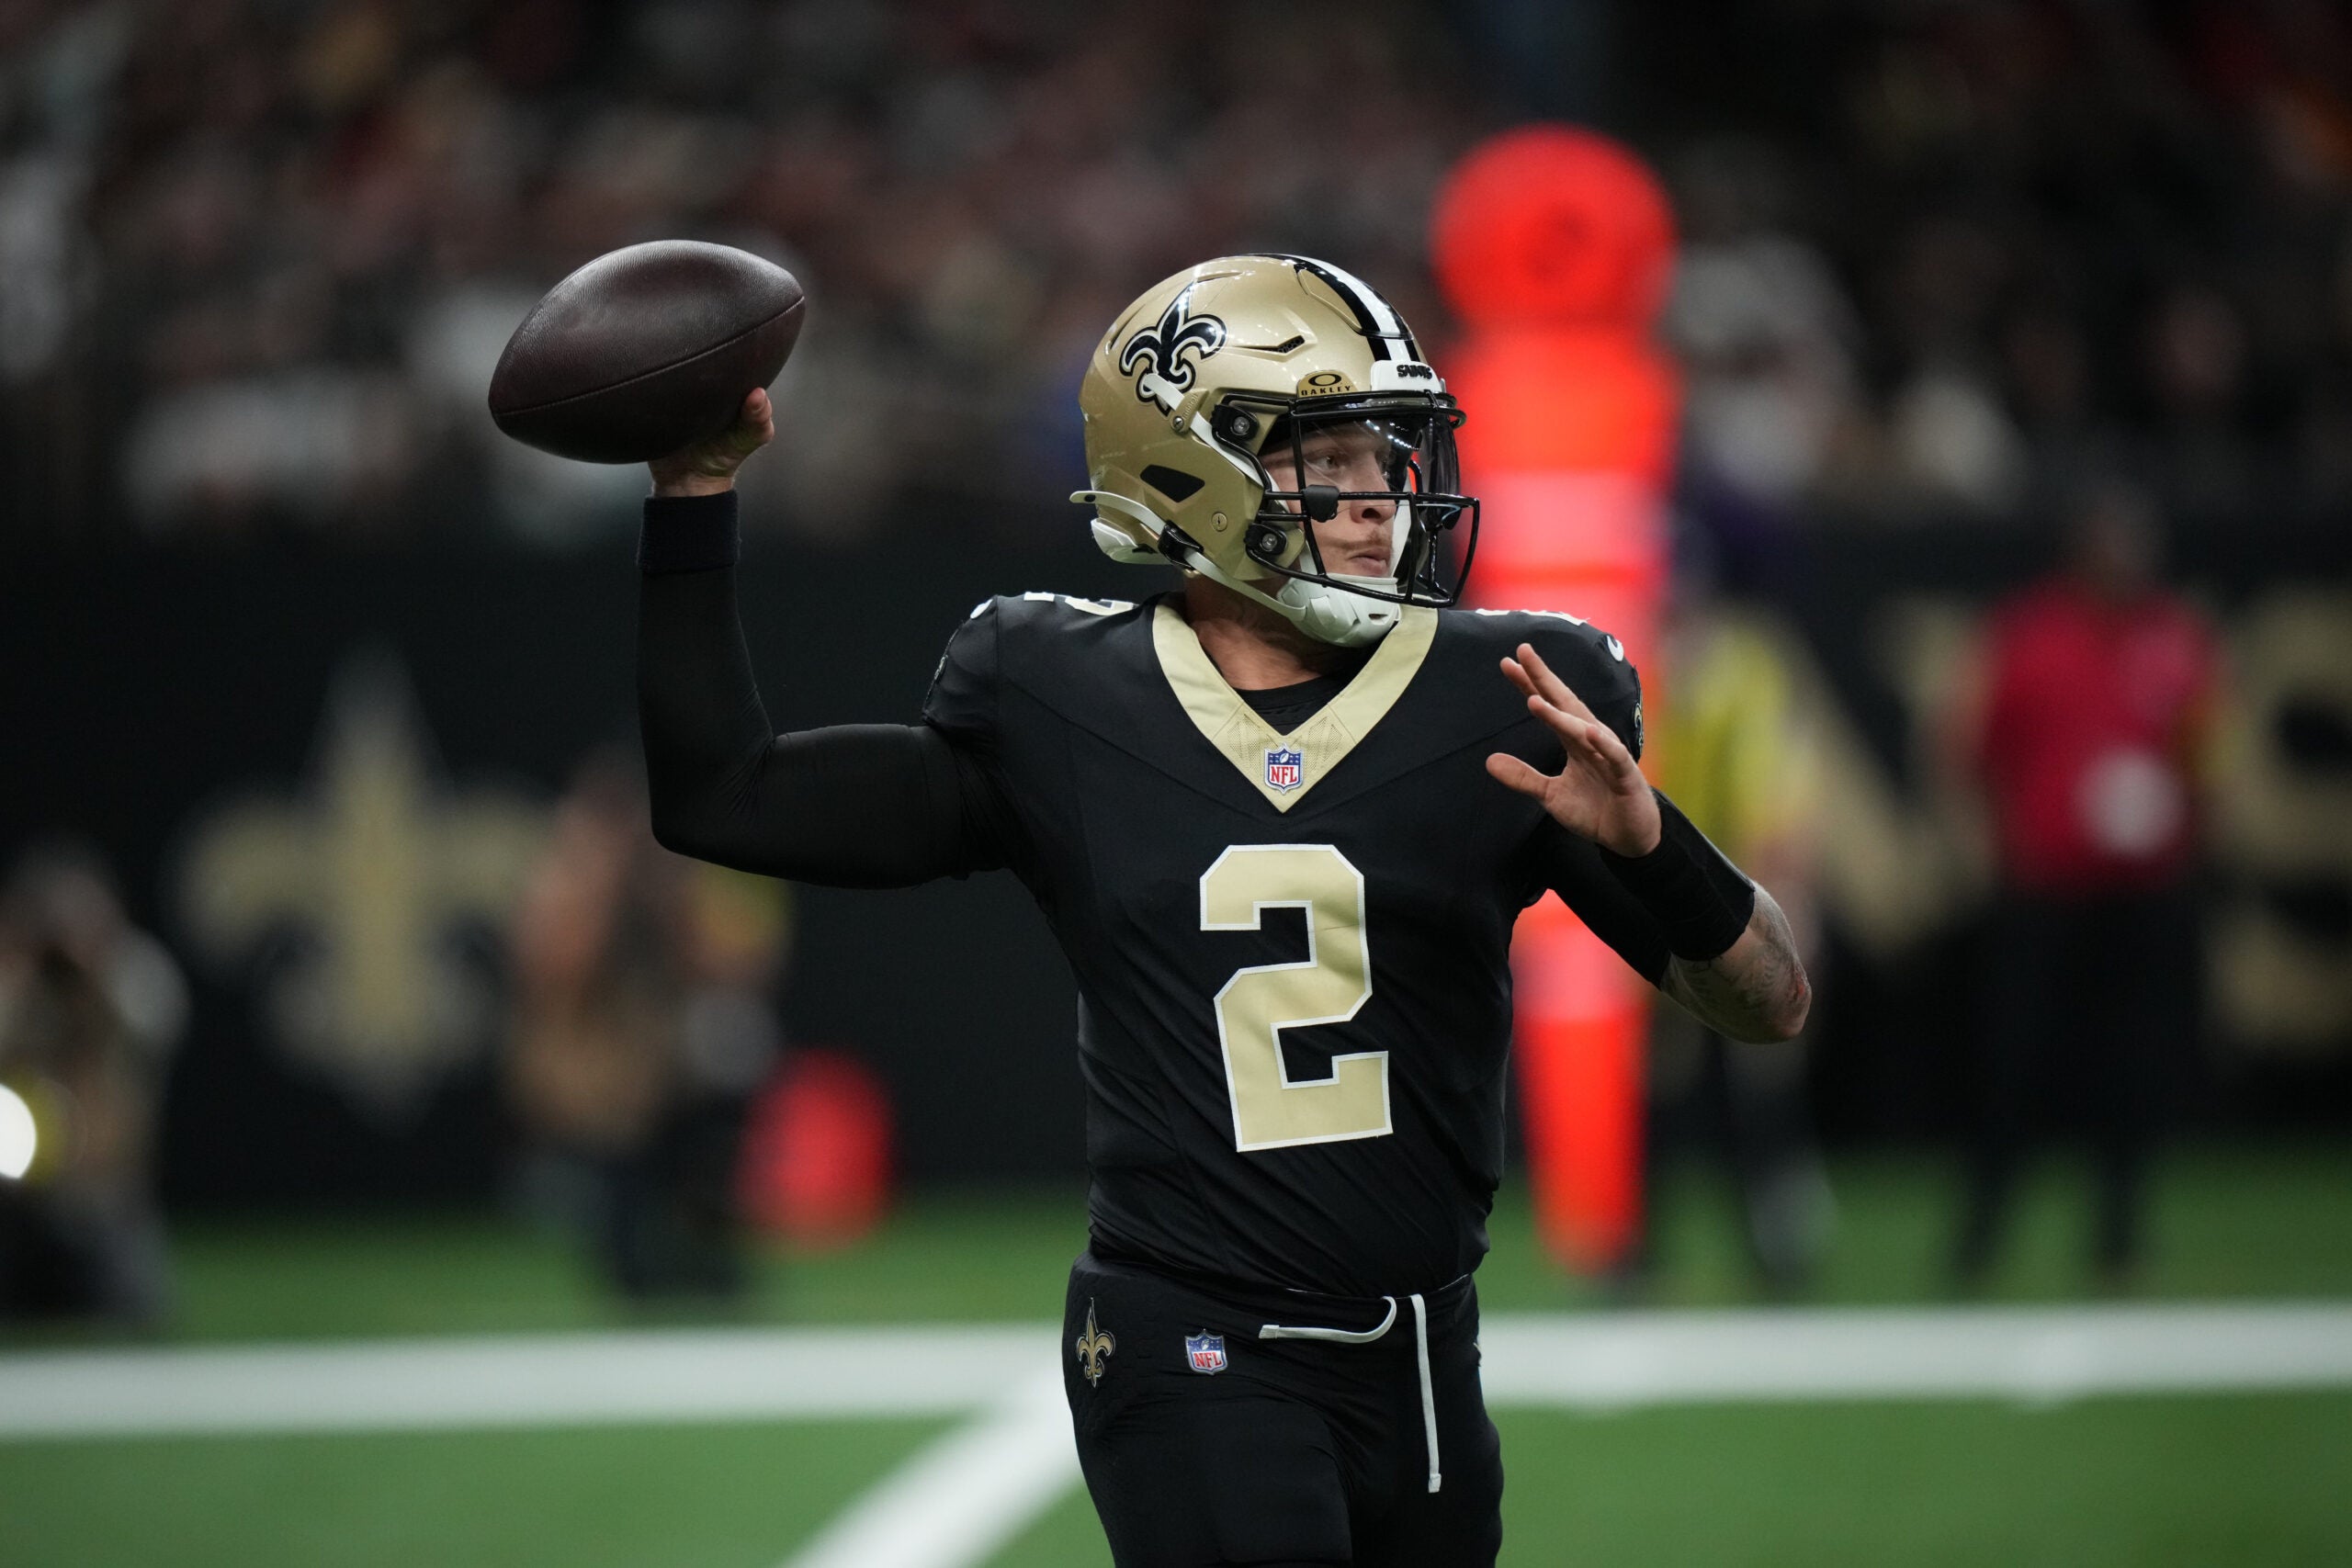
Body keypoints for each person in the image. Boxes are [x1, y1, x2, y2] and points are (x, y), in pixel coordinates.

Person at [633, 254, 1808, 1566]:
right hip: (1194, 1344)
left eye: (1389, 454)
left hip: (1424, 1352)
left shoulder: (1502, 697)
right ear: (1194, 470)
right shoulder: (1057, 692)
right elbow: (727, 798)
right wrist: (693, 495)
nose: (1382, 497)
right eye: (1331, 457)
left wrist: (1656, 846)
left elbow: (1769, 1002)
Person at [1952, 479, 2216, 1291]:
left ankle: (2118, 1237)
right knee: (2017, 1061)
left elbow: (2205, 753)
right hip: (2048, 891)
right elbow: (1981, 749)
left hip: (2143, 893)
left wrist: (2179, 818)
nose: (2126, 560)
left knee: (2133, 1067)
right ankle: (1981, 1236)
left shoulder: (2174, 639)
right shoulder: (2033, 636)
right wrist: (2013, 840)